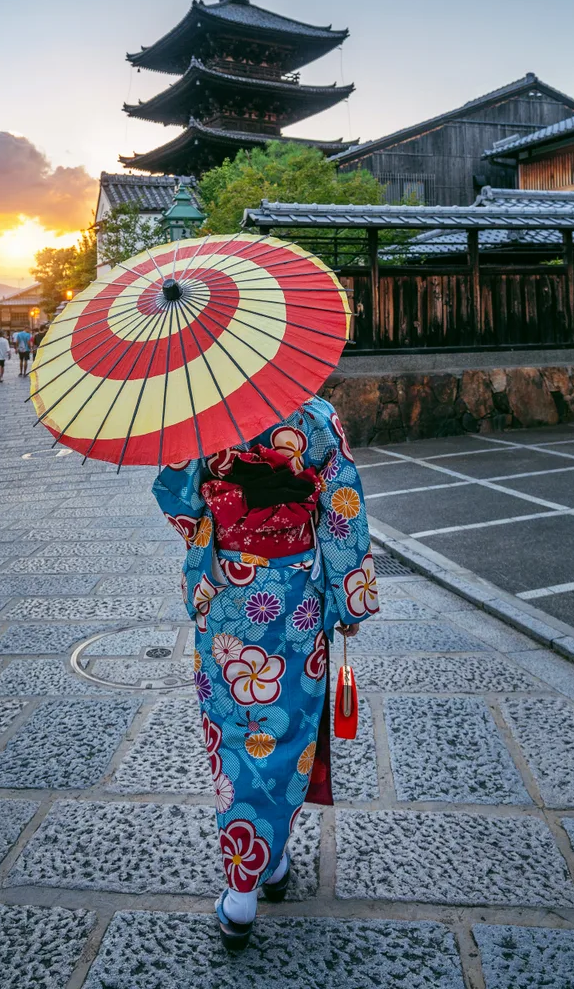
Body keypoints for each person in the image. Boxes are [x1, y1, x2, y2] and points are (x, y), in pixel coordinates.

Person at [153, 395, 378, 951]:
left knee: (234, 733)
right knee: (285, 729)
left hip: (228, 598)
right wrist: (349, 598)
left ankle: (246, 882)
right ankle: (266, 862)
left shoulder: (197, 418)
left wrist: (226, 522)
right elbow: (342, 506)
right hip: (296, 599)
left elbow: (176, 498)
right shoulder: (315, 417)